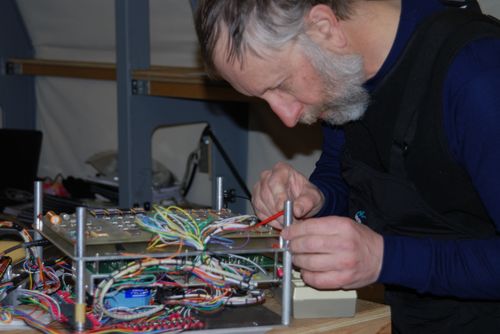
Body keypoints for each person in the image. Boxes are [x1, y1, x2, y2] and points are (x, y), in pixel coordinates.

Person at [195, 0, 500, 332]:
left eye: (281, 85)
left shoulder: (478, 78)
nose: (287, 116)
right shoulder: (343, 69)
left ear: (324, 26)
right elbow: (344, 168)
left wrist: (383, 258)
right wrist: (317, 199)